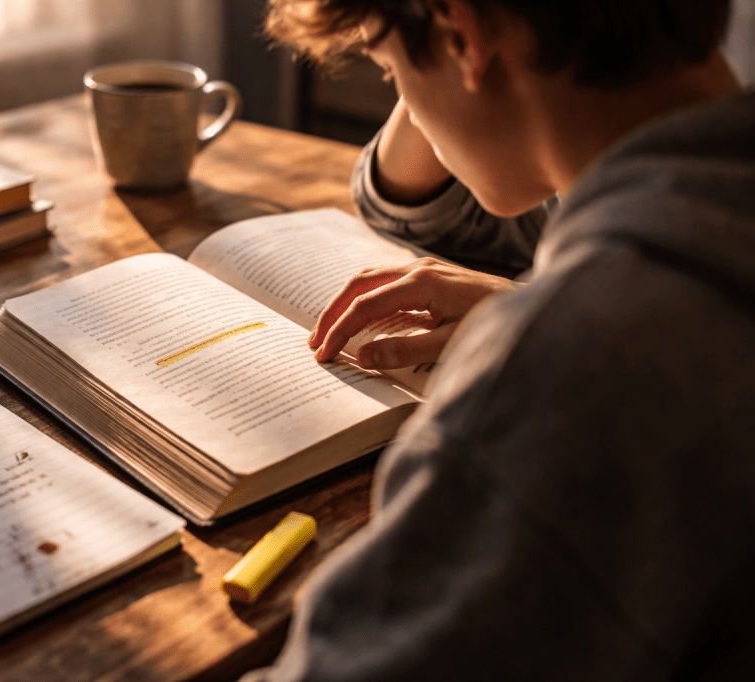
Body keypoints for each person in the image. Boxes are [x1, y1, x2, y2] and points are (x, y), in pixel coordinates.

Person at [241, 0, 755, 680]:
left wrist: (555, 323)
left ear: (464, 35)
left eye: (390, 68)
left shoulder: (569, 367)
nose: (405, 102)